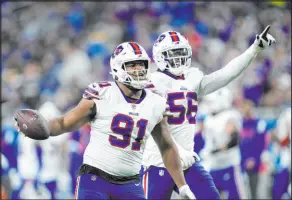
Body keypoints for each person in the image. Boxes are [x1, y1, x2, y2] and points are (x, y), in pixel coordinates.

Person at [15, 41, 195, 199]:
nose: (139, 70)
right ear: (118, 67)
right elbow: (65, 122)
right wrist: (45, 127)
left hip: (131, 183)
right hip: (95, 179)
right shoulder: (102, 94)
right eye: (132, 65)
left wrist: (182, 185)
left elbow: (166, 146)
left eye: (142, 65)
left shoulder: (155, 102)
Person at [142, 26, 276, 199]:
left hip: (188, 163)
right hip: (157, 163)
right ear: (160, 56)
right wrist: (179, 152)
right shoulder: (153, 83)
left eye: (181, 52)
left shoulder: (192, 78)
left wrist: (254, 49)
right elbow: (154, 127)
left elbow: (225, 75)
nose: (179, 57)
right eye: (173, 53)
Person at [199, 88, 247, 199]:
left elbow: (233, 140)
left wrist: (216, 150)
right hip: (212, 165)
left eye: (210, 102)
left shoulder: (229, 115)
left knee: (236, 196)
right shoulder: (208, 119)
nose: (208, 105)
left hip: (228, 165)